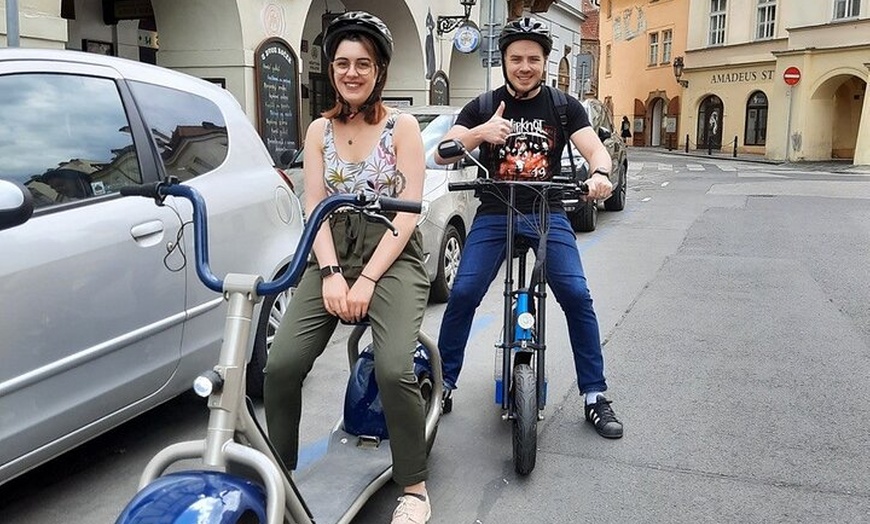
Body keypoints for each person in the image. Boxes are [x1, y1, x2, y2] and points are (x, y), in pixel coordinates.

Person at [263, 11, 433, 524]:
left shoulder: (403, 127)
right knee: (280, 365)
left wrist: (368, 280)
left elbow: (408, 215)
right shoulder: (319, 129)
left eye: (363, 63)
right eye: (342, 63)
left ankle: (415, 488)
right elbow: (314, 208)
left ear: (379, 69)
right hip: (332, 255)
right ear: (332, 70)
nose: (351, 72)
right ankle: (280, 472)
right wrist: (334, 274)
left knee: (394, 368)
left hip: (392, 256)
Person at [435, 16, 624, 439]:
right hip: (495, 211)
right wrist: (480, 133)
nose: (525, 66)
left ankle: (595, 394)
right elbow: (443, 154)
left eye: (533, 59)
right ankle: (443, 384)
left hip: (546, 211)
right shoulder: (483, 106)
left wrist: (599, 175)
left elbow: (595, 150)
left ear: (544, 62)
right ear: (504, 60)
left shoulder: (563, 106)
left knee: (576, 295)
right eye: (516, 58)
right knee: (463, 292)